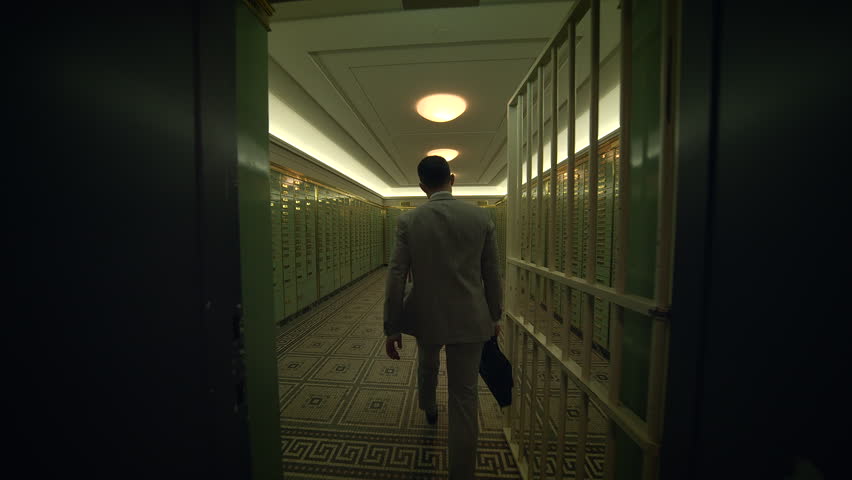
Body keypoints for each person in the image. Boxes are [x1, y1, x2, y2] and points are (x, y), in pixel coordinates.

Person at [383, 155, 503, 480]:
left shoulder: (408, 221)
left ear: (422, 186)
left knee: (427, 363)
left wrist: (392, 327)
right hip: (471, 318)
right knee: (464, 395)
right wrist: (495, 315)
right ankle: (461, 472)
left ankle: (429, 409)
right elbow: (492, 274)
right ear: (452, 179)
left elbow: (396, 275)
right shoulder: (480, 218)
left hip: (427, 316)